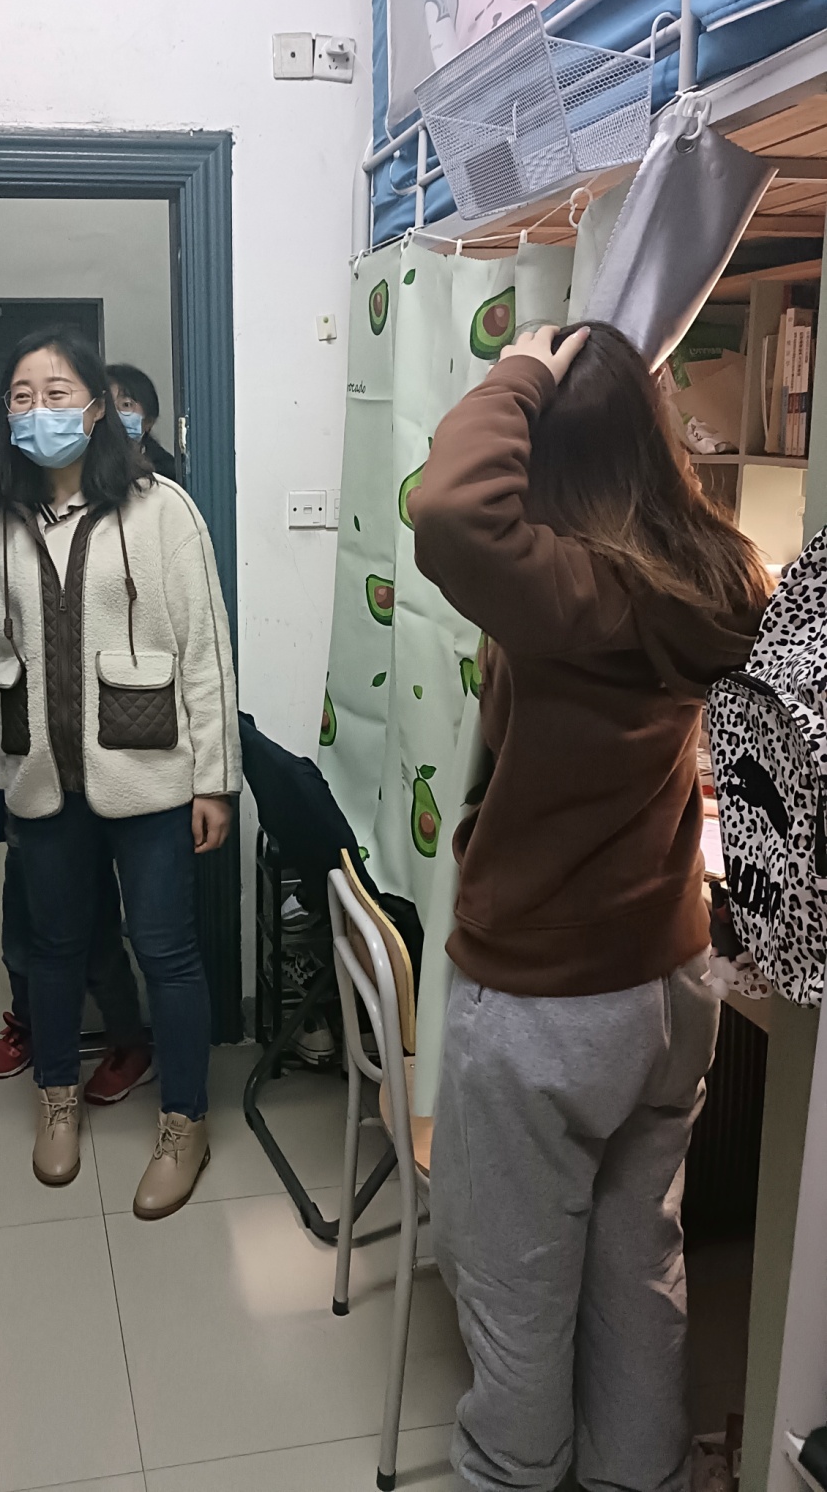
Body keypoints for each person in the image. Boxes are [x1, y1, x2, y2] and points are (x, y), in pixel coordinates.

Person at [410, 321, 769, 1492]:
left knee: (517, 1294)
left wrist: (521, 365)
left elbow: (448, 510)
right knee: (638, 1270)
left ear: (548, 451)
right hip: (669, 991)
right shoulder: (717, 576)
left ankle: (514, 1477)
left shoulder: (573, 595)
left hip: (548, 1008)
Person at [0, 326, 239, 1218]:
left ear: (94, 408)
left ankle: (185, 1121)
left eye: (56, 394)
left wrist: (215, 780)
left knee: (166, 951)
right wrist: (3, 777)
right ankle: (56, 1098)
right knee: (53, 950)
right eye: (21, 396)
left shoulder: (162, 510)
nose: (37, 411)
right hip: (42, 779)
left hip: (151, 774)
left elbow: (205, 651)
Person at [0, 721, 155, 1102]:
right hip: (25, 816)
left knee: (99, 942)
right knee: (19, 940)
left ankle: (129, 1043)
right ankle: (30, 1024)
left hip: (84, 810)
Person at [107, 362, 178, 480]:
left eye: (126, 405)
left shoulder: (165, 472)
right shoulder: (82, 464)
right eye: (107, 404)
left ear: (149, 421)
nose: (113, 414)